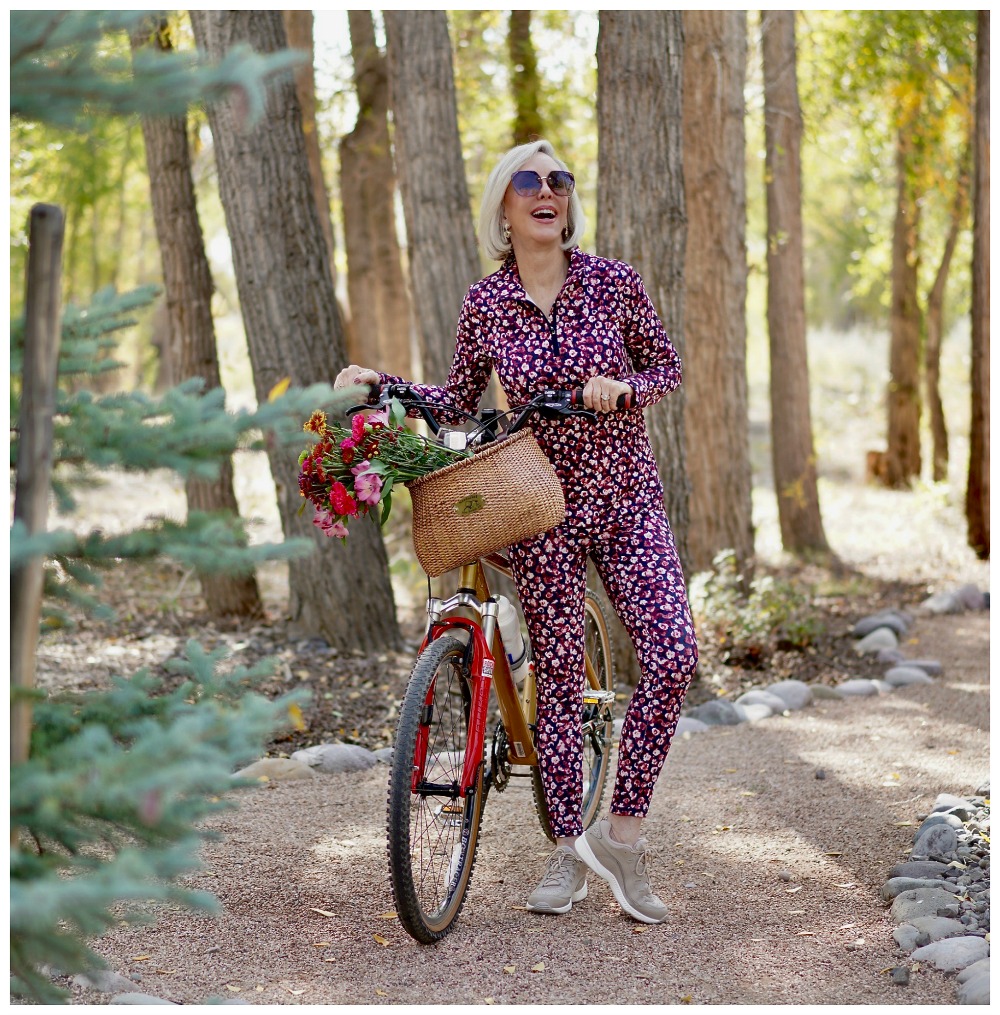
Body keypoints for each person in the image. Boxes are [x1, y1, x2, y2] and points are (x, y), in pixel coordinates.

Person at [335, 139, 698, 925]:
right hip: (540, 508)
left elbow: (667, 366)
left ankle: (622, 838)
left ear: (568, 200)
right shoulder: (487, 302)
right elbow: (459, 395)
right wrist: (384, 383)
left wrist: (622, 387)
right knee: (560, 683)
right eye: (529, 182)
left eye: (559, 181)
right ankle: (566, 850)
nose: (547, 192)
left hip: (627, 498)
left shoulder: (612, 282)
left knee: (672, 655)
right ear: (503, 205)